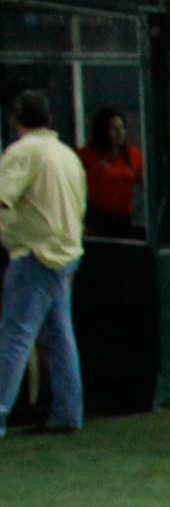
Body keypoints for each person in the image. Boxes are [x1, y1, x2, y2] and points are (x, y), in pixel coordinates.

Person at [0, 89, 87, 439]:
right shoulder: (67, 155)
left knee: (16, 337)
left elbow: (3, 199)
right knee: (60, 337)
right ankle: (68, 411)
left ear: (16, 119)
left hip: (34, 255)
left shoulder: (22, 153)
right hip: (66, 255)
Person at [78, 107, 142, 238]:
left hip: (123, 220)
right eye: (114, 129)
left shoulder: (133, 154)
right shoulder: (87, 155)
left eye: (122, 128)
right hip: (96, 219)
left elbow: (146, 182)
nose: (119, 133)